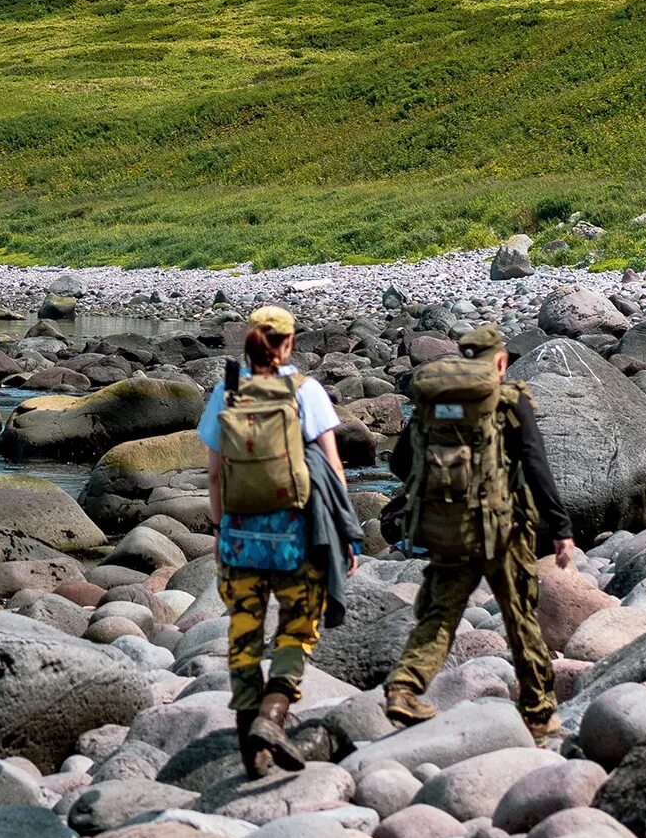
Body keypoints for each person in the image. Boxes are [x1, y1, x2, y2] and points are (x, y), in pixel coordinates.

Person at [381, 322, 577, 736]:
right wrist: (560, 527)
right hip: (503, 534)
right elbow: (537, 466)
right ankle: (540, 714)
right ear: (500, 361)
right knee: (521, 618)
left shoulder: (434, 404)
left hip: (447, 531)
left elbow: (399, 464)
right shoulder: (509, 401)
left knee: (439, 615)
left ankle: (404, 688)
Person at [201, 303, 358, 778]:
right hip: (297, 535)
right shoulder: (305, 390)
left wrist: (218, 529)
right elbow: (332, 470)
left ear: (248, 338)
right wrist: (346, 534)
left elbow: (213, 475)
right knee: (298, 625)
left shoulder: (227, 390)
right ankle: (272, 717)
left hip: (240, 537)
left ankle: (253, 746)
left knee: (243, 631)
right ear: (290, 343)